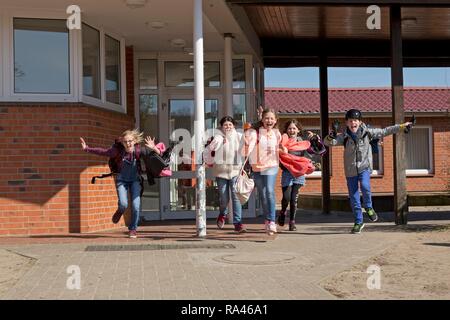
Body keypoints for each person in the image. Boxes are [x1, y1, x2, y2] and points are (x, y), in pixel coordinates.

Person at [324, 109, 413, 234]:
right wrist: (331, 135)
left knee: (365, 186)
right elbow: (327, 143)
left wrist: (402, 126)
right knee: (354, 198)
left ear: (360, 122)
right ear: (346, 123)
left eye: (355, 120)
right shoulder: (344, 136)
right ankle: (358, 222)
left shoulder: (368, 133)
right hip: (350, 170)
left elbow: (385, 131)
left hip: (364, 167)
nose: (353, 123)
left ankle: (369, 207)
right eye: (350, 121)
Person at [80, 129, 163, 238]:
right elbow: (103, 151)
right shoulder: (117, 152)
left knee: (136, 206)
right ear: (122, 143)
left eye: (130, 141)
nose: (128, 143)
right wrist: (87, 149)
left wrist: (154, 148)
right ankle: (120, 211)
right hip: (122, 180)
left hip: (135, 181)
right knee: (123, 204)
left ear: (134, 141)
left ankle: (133, 229)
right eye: (125, 142)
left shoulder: (139, 151)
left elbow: (159, 155)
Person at [243, 108, 284, 235]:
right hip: (257, 167)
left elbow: (280, 148)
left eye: (271, 118)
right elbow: (245, 150)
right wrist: (245, 143)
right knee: (263, 194)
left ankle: (272, 221)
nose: (269, 120)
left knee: (270, 191)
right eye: (266, 118)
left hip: (271, 165)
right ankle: (267, 219)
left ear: (275, 120)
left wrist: (284, 149)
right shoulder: (254, 132)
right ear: (262, 119)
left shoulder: (277, 134)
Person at [204, 116, 246, 233]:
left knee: (236, 197)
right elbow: (209, 150)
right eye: (225, 125)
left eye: (230, 124)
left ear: (233, 126)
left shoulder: (238, 136)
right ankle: (223, 214)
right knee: (224, 198)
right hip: (221, 172)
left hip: (235, 171)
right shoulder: (218, 137)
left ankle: (238, 223)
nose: (228, 127)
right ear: (221, 127)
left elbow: (248, 143)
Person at [278, 119, 318, 231]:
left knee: (293, 198)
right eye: (290, 128)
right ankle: (282, 213)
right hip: (287, 173)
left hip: (299, 174)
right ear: (286, 130)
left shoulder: (302, 142)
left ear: (298, 130)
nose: (292, 130)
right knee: (286, 198)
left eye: (294, 128)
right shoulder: (282, 142)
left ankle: (292, 222)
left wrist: (313, 139)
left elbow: (311, 153)